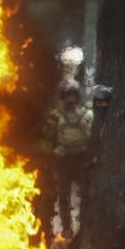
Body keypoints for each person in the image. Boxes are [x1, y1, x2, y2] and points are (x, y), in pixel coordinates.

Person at [43, 80, 93, 238]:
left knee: (86, 194)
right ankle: (67, 228)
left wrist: (91, 157)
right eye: (67, 96)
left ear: (78, 97)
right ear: (63, 97)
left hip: (81, 160)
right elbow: (48, 138)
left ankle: (85, 226)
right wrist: (54, 151)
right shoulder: (56, 117)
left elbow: (95, 138)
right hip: (64, 161)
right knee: (63, 195)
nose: (70, 100)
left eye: (73, 95)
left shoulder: (87, 116)